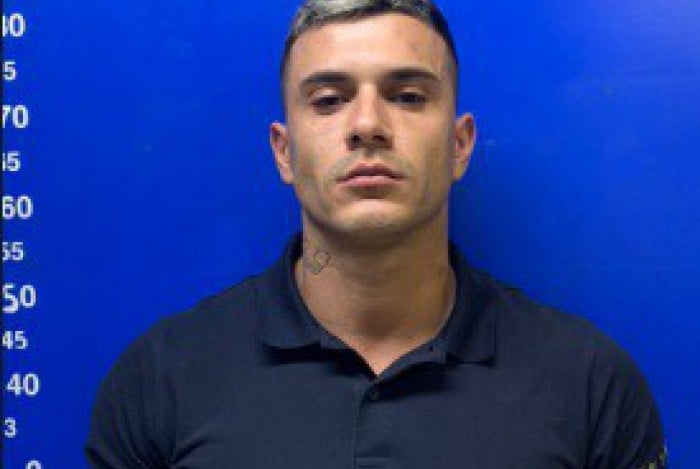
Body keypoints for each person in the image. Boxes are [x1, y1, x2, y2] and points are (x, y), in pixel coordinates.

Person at [86, 1, 667, 467]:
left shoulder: (589, 386)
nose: (367, 125)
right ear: (284, 152)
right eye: (329, 100)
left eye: (408, 96)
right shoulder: (161, 381)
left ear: (460, 145)